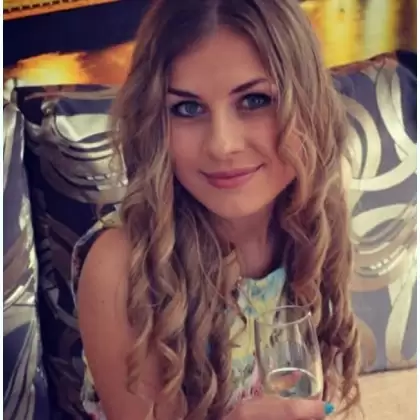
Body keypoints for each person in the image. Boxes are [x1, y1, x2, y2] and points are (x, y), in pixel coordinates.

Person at [73, 0, 361, 419]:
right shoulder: (121, 268)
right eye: (187, 108)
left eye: (255, 100)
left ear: (309, 104)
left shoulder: (313, 216)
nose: (222, 145)